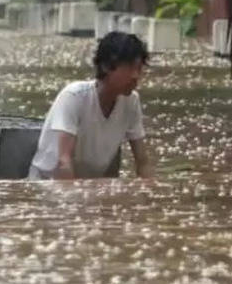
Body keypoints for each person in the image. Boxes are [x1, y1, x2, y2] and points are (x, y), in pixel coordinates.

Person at [29, 31, 155, 179]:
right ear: (107, 66)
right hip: (49, 182)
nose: (136, 76)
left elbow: (142, 162)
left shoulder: (131, 102)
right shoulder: (74, 97)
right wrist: (70, 199)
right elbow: (64, 162)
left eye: (139, 69)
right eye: (130, 68)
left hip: (89, 184)